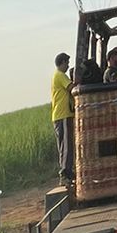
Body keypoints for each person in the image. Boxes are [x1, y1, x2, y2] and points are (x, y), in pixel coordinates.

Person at [51, 53, 74, 187]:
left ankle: (68, 173)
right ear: (62, 62)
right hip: (62, 114)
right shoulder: (60, 75)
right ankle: (64, 174)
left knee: (64, 146)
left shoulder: (57, 76)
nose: (68, 66)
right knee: (66, 146)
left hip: (61, 115)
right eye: (67, 63)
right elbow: (72, 88)